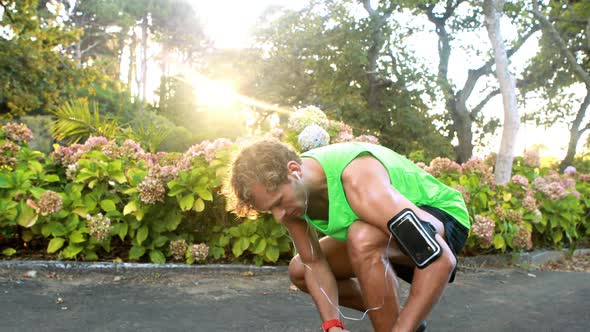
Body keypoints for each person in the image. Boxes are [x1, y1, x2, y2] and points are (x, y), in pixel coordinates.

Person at [229, 139, 470, 332]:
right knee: (300, 268)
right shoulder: (295, 196)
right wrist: (332, 326)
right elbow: (314, 263)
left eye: (279, 203)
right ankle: (401, 319)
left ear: (294, 171)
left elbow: (439, 260)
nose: (279, 216)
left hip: (442, 219)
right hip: (386, 232)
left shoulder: (359, 181)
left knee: (362, 237)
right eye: (270, 209)